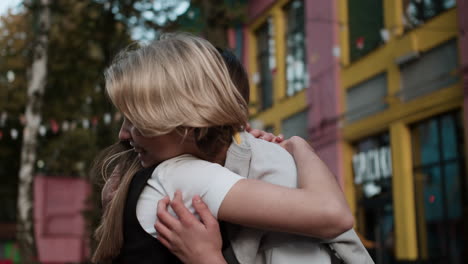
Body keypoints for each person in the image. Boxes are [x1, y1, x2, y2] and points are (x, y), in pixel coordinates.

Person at [91, 33, 366, 264]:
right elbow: (334, 214)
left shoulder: (147, 179)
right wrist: (300, 146)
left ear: (183, 120)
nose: (123, 134)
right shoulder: (181, 174)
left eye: (137, 121)